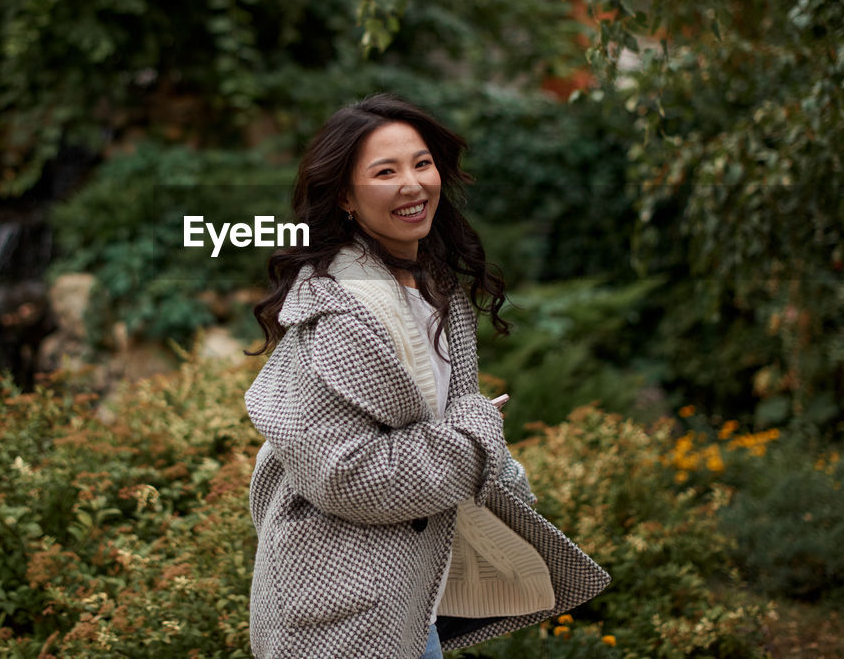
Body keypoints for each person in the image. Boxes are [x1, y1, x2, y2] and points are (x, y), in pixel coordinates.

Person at [244, 94, 609, 658]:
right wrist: (474, 432)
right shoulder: (341, 313)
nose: (412, 184)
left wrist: (489, 459)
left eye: (421, 163)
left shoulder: (432, 289)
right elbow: (346, 475)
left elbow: (438, 421)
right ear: (344, 196)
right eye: (385, 172)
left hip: (407, 600)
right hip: (341, 613)